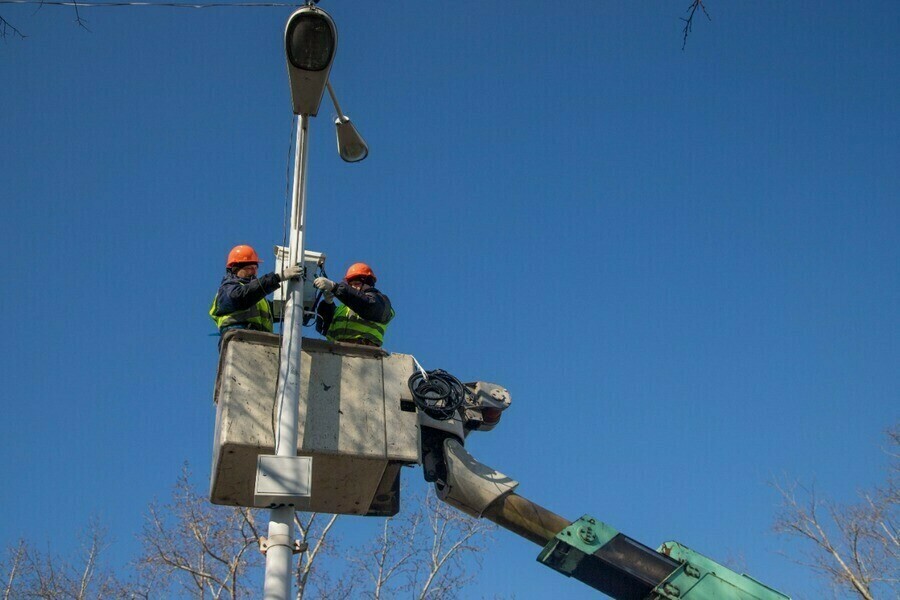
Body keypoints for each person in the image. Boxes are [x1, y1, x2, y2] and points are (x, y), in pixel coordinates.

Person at [209, 244, 303, 336]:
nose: (254, 272)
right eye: (249, 268)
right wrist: (277, 277)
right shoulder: (227, 290)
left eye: (255, 268)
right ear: (235, 269)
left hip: (259, 343)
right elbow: (241, 296)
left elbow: (279, 311)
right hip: (239, 339)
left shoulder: (259, 298)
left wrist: (300, 308)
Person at [313, 262, 394, 347]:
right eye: (350, 285)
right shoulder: (342, 309)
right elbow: (324, 329)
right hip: (336, 353)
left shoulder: (380, 302)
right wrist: (328, 303)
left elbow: (367, 306)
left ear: (368, 284)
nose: (353, 287)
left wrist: (335, 287)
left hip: (364, 353)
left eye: (356, 283)